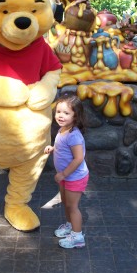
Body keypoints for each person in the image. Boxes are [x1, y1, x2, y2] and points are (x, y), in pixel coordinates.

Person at [44, 94, 89, 249]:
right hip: (66, 176)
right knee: (65, 203)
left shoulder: (74, 135)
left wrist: (63, 174)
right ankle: (70, 225)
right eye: (58, 112)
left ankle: (77, 237)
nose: (61, 116)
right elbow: (63, 148)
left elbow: (78, 158)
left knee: (72, 206)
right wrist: (53, 148)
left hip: (74, 176)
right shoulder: (63, 129)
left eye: (66, 113)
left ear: (75, 116)